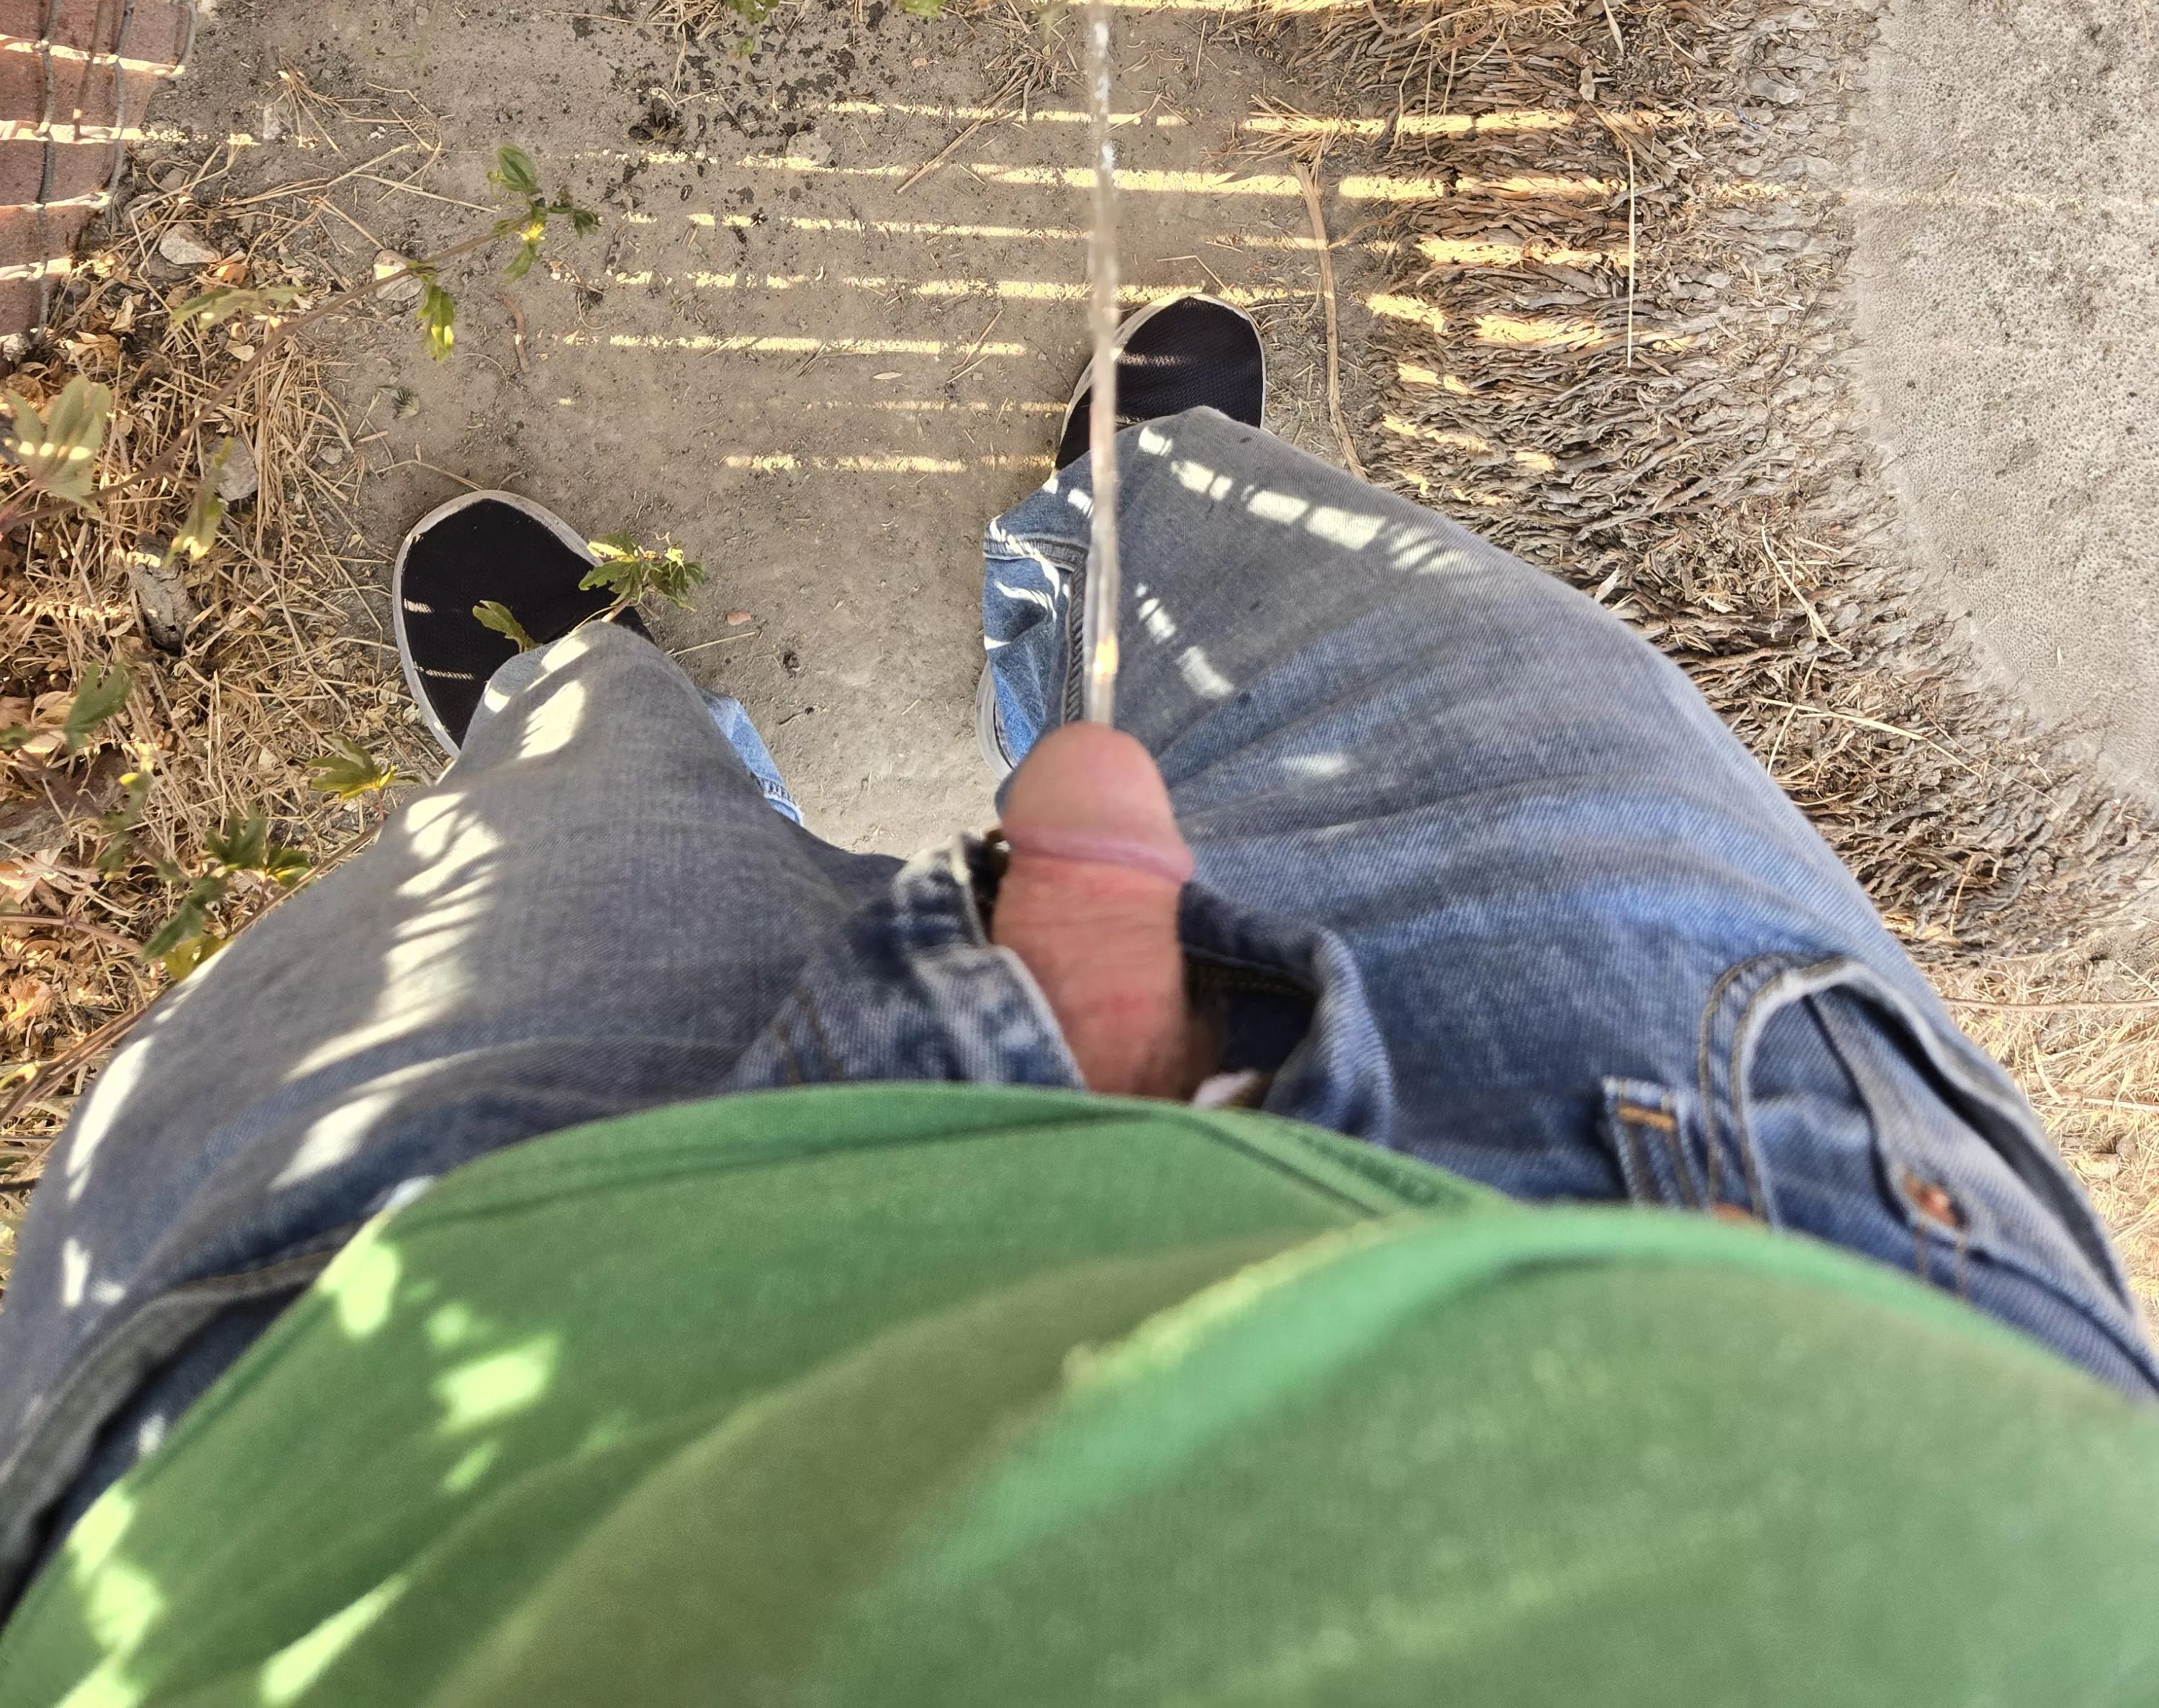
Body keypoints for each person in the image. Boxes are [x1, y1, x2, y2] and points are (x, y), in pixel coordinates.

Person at [1, 296, 2156, 1706]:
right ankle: (1137, 519)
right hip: (1737, 1197)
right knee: (1353, 613)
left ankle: (593, 720)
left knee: (568, 851)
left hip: (350, 1415)